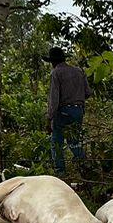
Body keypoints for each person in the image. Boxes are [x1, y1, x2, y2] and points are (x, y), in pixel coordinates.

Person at [45, 46, 91, 175]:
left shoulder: (56, 73)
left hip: (63, 111)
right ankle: (85, 166)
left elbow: (54, 99)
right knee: (74, 141)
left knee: (57, 142)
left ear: (53, 62)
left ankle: (61, 172)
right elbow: (88, 93)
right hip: (78, 110)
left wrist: (49, 119)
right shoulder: (78, 71)